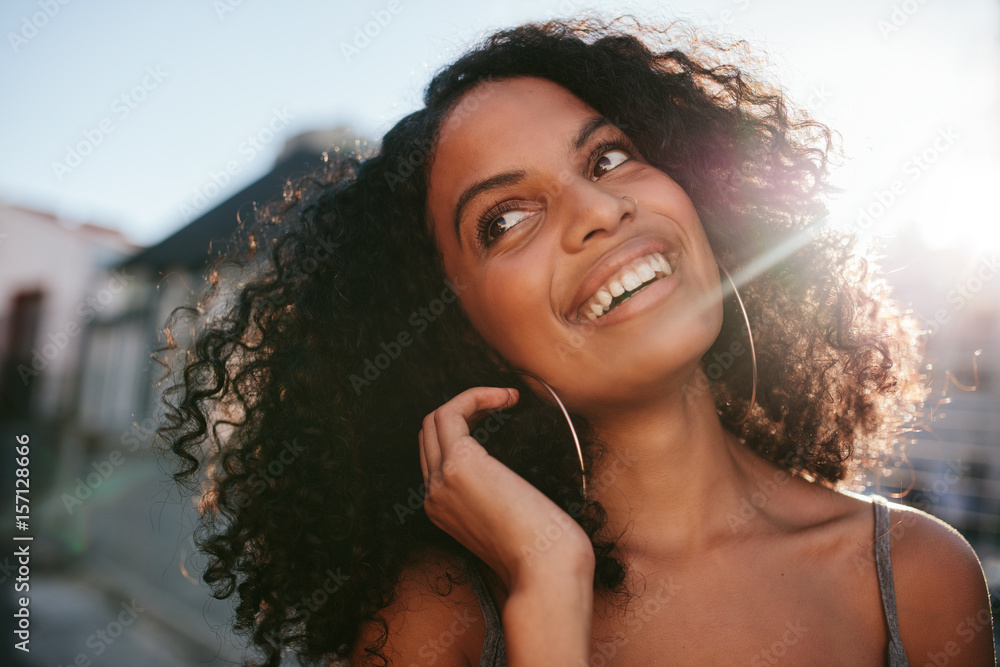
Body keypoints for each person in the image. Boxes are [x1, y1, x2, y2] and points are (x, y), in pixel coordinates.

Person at [157, 16, 996, 666]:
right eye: (505, 219)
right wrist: (550, 599)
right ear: (457, 334)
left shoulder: (915, 579)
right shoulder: (431, 624)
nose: (599, 211)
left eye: (606, 159)